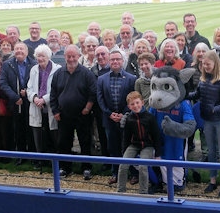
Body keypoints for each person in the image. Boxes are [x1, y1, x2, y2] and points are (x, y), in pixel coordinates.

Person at [188, 50, 220, 197]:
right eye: (203, 64)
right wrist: (183, 94)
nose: (205, 66)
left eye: (208, 64)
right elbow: (197, 95)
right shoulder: (203, 79)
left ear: (215, 64)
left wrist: (216, 109)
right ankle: (213, 180)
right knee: (211, 151)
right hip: (207, 120)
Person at [50, 44, 97, 180]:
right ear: (65, 57)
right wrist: (55, 111)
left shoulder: (86, 73)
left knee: (85, 141)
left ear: (78, 56)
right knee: (63, 142)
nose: (71, 59)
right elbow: (53, 93)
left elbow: (92, 93)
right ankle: (65, 167)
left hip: (82, 115)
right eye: (68, 56)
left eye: (73, 56)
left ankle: (86, 168)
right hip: (64, 115)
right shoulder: (59, 73)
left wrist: (87, 108)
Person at [97, 49, 138, 184]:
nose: (115, 62)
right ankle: (116, 173)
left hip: (127, 119)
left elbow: (133, 98)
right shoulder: (102, 79)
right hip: (109, 120)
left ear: (122, 61)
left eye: (117, 59)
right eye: (112, 59)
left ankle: (133, 173)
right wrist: (110, 114)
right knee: (113, 147)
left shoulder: (131, 79)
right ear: (109, 61)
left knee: (128, 146)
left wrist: (123, 114)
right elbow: (100, 99)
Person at [0, 42, 37, 166]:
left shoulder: (34, 64)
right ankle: (21, 155)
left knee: (31, 129)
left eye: (21, 49)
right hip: (15, 103)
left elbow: (37, 82)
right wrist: (15, 97)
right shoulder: (7, 65)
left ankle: (33, 156)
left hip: (31, 101)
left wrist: (27, 91)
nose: (19, 51)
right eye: (16, 49)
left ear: (26, 51)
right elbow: (3, 84)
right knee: (18, 130)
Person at [117, 91, 160, 195]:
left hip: (147, 145)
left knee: (143, 166)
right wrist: (124, 151)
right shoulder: (129, 119)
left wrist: (158, 153)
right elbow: (126, 137)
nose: (135, 106)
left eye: (137, 103)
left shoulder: (150, 117)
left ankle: (143, 192)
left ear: (142, 102)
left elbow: (156, 136)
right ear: (129, 106)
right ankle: (120, 190)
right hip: (134, 144)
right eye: (132, 104)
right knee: (123, 165)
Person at [27, 44, 61, 165]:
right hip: (37, 107)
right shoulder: (34, 69)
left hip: (51, 107)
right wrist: (35, 98)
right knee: (39, 135)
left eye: (43, 56)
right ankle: (41, 160)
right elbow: (29, 88)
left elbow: (57, 90)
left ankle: (56, 161)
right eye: (38, 56)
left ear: (48, 56)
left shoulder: (57, 69)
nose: (40, 58)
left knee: (54, 134)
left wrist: (44, 99)